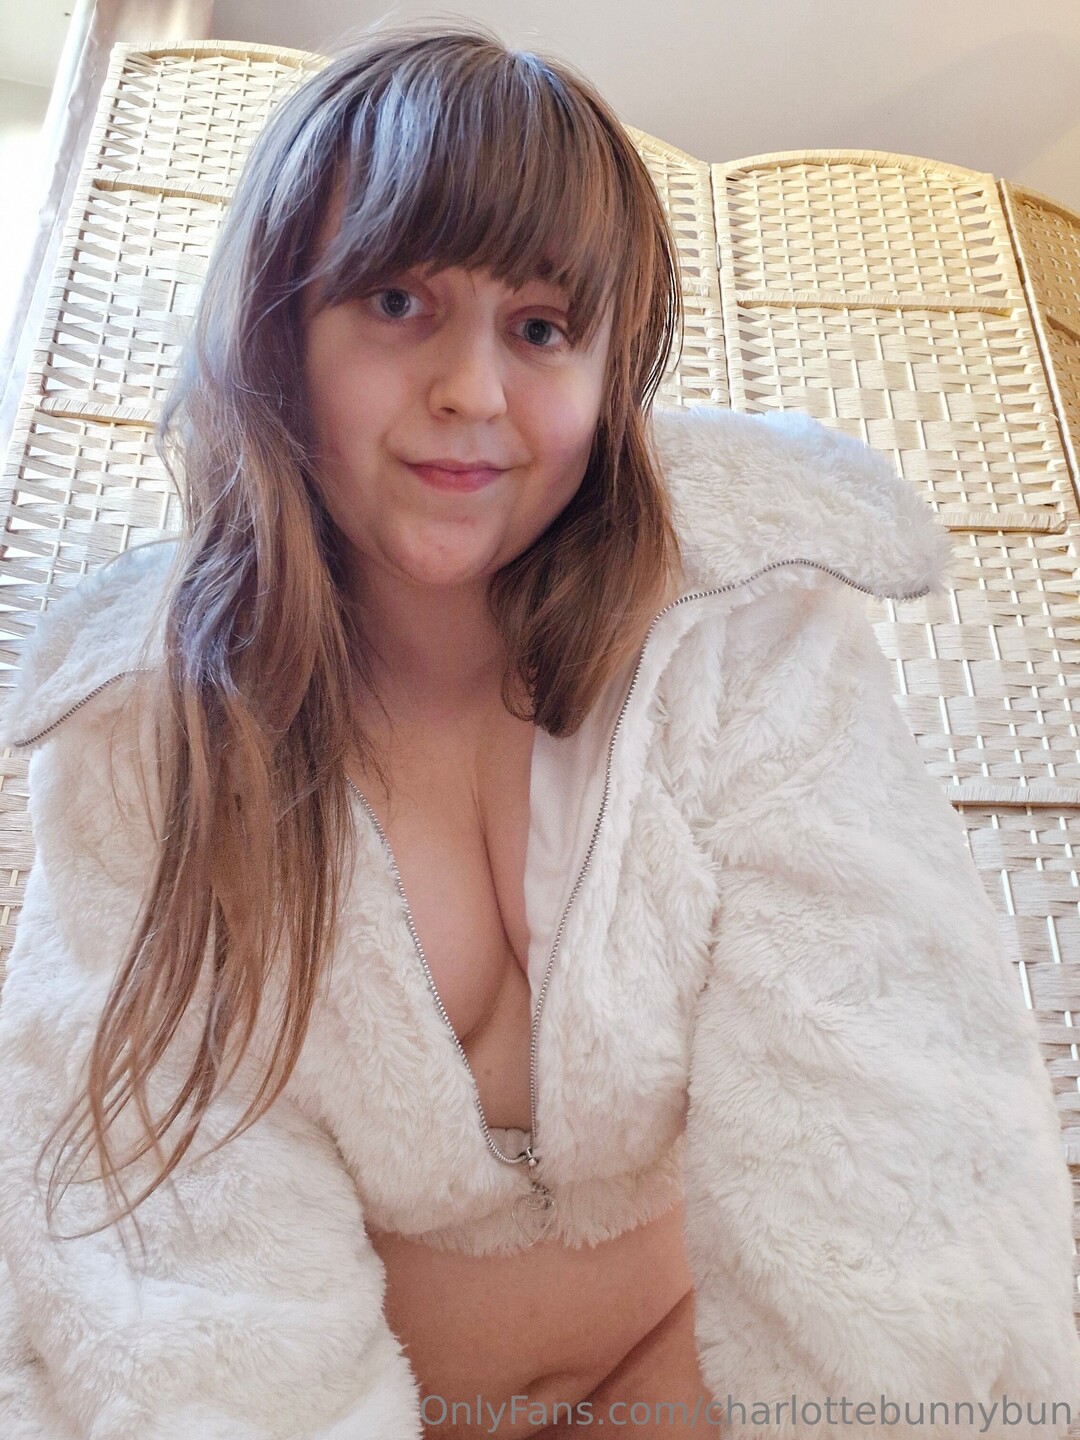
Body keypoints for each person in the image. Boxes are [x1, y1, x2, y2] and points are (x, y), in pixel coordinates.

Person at [0, 20, 1077, 1440]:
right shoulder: (156, 734)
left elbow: (896, 1104)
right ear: (278, 333)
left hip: (694, 1368)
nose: (472, 390)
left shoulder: (746, 635)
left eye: (541, 329)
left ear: (610, 374)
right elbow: (169, 1252)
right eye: (398, 300)